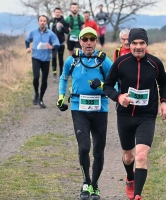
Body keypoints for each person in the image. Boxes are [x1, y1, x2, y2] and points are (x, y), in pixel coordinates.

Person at [103, 28, 166, 200]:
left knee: (141, 155)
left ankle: (138, 195)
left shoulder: (155, 63)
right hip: (125, 115)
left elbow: (164, 83)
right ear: (129, 44)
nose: (138, 46)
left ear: (146, 44)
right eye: (134, 43)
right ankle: (130, 178)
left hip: (147, 116)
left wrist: (164, 102)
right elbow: (107, 86)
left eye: (141, 43)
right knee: (128, 156)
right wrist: (118, 97)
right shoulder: (120, 63)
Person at [56, 27, 113, 200]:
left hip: (100, 110)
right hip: (78, 108)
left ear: (96, 41)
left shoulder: (104, 61)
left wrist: (102, 86)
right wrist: (61, 96)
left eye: (92, 39)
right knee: (84, 148)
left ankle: (95, 185)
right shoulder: (72, 60)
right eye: (85, 39)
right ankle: (86, 182)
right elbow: (64, 77)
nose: (88, 43)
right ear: (79, 41)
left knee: (98, 150)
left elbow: (115, 85)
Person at [25, 15, 60, 108]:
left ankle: (41, 99)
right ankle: (36, 93)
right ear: (38, 22)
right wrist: (27, 48)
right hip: (35, 57)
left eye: (44, 21)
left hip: (46, 59)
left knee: (44, 80)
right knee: (36, 77)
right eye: (41, 20)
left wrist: (51, 47)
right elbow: (27, 41)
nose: (42, 22)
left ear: (46, 23)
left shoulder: (50, 34)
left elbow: (57, 44)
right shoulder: (33, 32)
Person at [48, 7, 69, 79]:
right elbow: (47, 31)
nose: (57, 13)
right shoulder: (51, 21)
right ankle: (54, 73)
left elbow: (67, 31)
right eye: (56, 12)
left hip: (61, 43)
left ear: (61, 13)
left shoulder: (64, 21)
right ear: (54, 13)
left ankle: (61, 74)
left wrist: (62, 27)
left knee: (60, 58)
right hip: (53, 43)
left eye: (59, 12)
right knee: (53, 58)